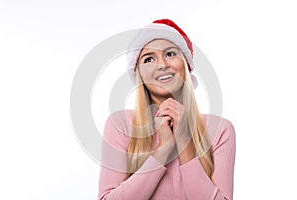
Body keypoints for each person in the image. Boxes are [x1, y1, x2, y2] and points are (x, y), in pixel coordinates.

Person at [98, 19, 236, 200]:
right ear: (139, 73)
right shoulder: (120, 124)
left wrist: (184, 140)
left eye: (170, 54)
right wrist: (163, 150)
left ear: (186, 64)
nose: (162, 64)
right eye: (149, 59)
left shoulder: (220, 129)